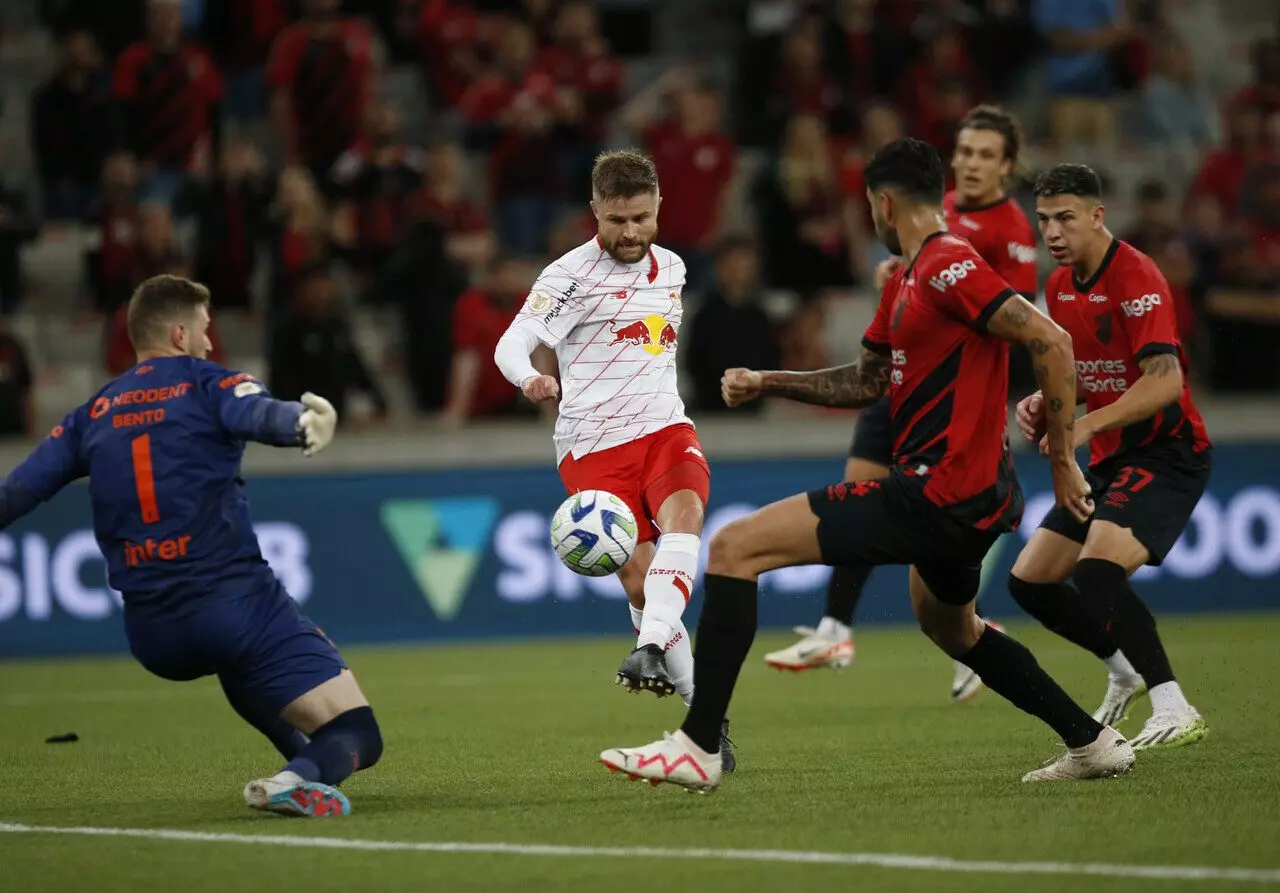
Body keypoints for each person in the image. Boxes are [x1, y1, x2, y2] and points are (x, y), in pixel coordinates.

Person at [599, 138, 1135, 791]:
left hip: (938, 491)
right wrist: (770, 380)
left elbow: (1049, 338)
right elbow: (865, 379)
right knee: (950, 624)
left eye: (868, 207)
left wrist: (1060, 458)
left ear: (884, 202)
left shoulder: (946, 265)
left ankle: (698, 744)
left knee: (735, 548)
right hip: (966, 498)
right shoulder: (905, 278)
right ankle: (1091, 740)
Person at [0, 275, 382, 817]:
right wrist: (300, 422)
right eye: (205, 330)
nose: (209, 342)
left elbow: (17, 491)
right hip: (231, 606)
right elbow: (256, 412)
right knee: (358, 730)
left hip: (152, 634)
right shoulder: (207, 383)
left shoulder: (94, 412)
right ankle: (300, 776)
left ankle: (299, 769)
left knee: (241, 665)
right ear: (180, 334)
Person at [766, 105, 1039, 706]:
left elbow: (1014, 315)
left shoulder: (1009, 230)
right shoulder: (936, 216)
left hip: (953, 391)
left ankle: (972, 629)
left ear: (1008, 166)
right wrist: (903, 276)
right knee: (862, 484)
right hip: (902, 371)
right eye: (964, 151)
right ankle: (838, 627)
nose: (970, 163)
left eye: (985, 154)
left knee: (934, 538)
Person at [493, 149, 735, 770]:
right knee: (639, 579)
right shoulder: (569, 278)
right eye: (616, 221)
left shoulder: (674, 267)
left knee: (685, 520)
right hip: (593, 446)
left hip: (663, 428)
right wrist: (528, 379)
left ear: (659, 209)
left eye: (642, 219)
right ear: (594, 212)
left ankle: (651, 646)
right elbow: (512, 342)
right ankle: (706, 718)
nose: (630, 234)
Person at [1009, 163, 1210, 750]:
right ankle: (1123, 669)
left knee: (1096, 571)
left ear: (1098, 216)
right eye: (1043, 219)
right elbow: (1076, 375)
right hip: (1112, 455)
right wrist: (1044, 407)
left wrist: (1081, 426)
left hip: (1167, 452)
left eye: (1065, 218)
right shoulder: (1057, 287)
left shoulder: (1137, 275)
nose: (1052, 232)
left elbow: (1164, 382)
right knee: (1031, 582)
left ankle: (1175, 704)